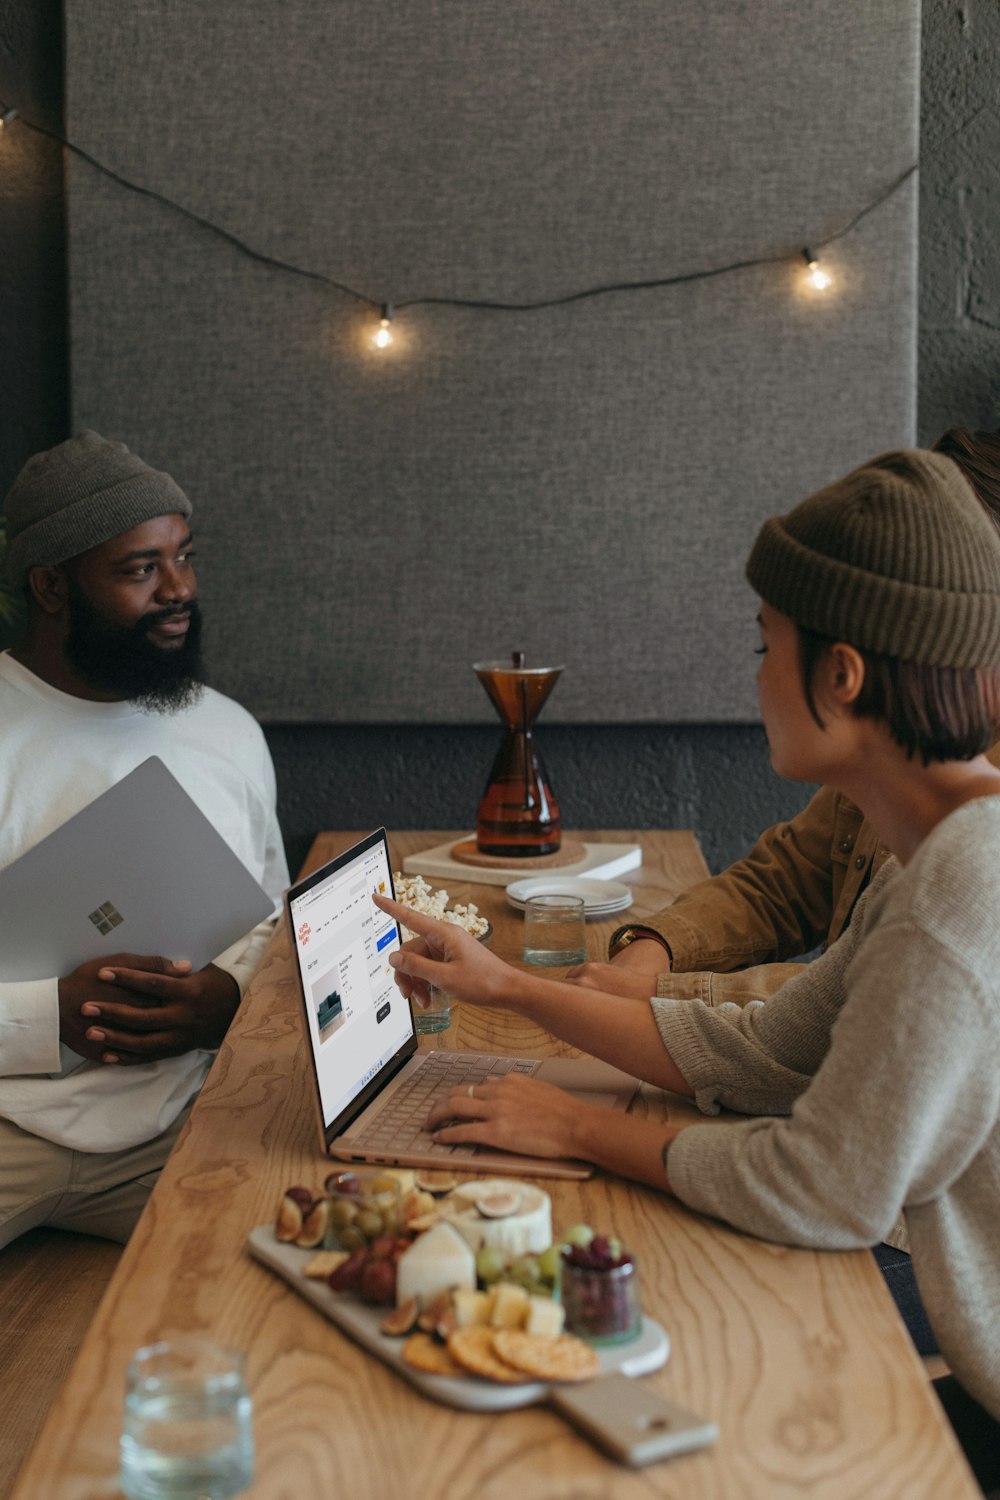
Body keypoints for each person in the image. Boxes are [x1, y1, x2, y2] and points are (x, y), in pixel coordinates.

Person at [375, 449, 1000, 1487]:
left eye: (765, 646)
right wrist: (505, 984)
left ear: (840, 675)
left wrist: (576, 1128)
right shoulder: (929, 859)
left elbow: (822, 1191)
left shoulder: (957, 894)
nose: (752, 675)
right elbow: (767, 1051)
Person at [573, 426, 1000, 1011]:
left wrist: (656, 993)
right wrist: (656, 948)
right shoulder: (899, 748)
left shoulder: (971, 854)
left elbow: (850, 1008)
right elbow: (788, 881)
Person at [0, 431, 289, 1250]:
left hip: (181, 1123)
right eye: (140, 569)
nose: (180, 590)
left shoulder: (223, 730)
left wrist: (224, 1001)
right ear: (51, 586)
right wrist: (45, 1017)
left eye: (185, 557)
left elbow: (268, 922)